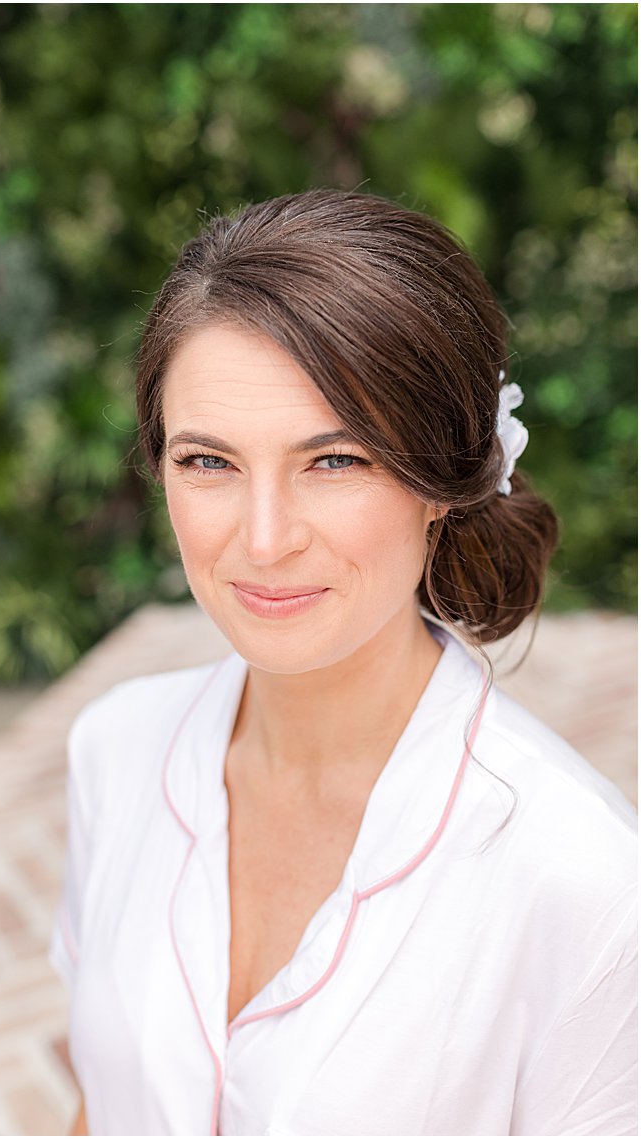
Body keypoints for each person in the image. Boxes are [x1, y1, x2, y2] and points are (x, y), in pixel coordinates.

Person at [51, 190, 637, 1134]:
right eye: (209, 462)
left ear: (447, 481)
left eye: (337, 460)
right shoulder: (114, 750)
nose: (266, 538)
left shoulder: (581, 878)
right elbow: (97, 1101)